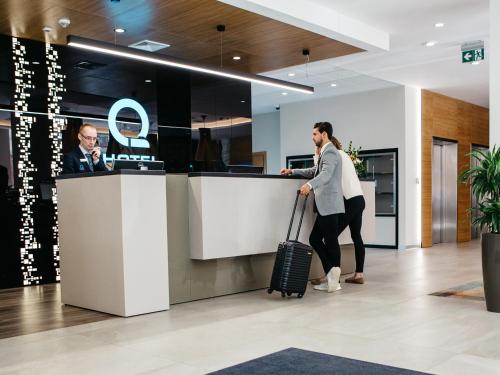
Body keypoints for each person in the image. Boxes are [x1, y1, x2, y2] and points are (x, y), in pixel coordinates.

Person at [280, 122, 345, 293]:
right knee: (318, 239)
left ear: (324, 135)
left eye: (315, 134)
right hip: (327, 205)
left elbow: (325, 175)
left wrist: (309, 185)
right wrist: (292, 171)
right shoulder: (326, 152)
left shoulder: (330, 151)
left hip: (329, 204)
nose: (312, 137)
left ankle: (333, 277)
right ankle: (332, 274)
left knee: (328, 241)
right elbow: (315, 171)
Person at [311, 136, 367, 285]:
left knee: (330, 237)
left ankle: (332, 275)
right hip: (359, 199)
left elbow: (320, 173)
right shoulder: (345, 155)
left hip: (348, 201)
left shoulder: (333, 156)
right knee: (356, 236)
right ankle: (359, 274)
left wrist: (316, 155)